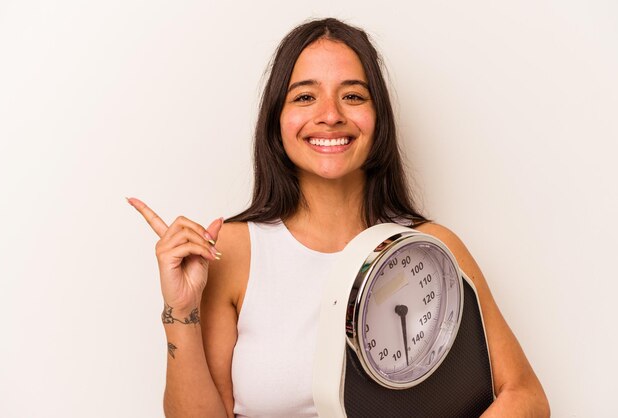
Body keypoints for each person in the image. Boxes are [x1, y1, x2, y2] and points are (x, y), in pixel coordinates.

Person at [128, 18, 549, 418]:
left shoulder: (433, 250)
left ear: (377, 118)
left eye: (353, 95)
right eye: (305, 96)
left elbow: (525, 395)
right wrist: (180, 310)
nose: (330, 114)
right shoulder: (234, 252)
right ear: (277, 121)